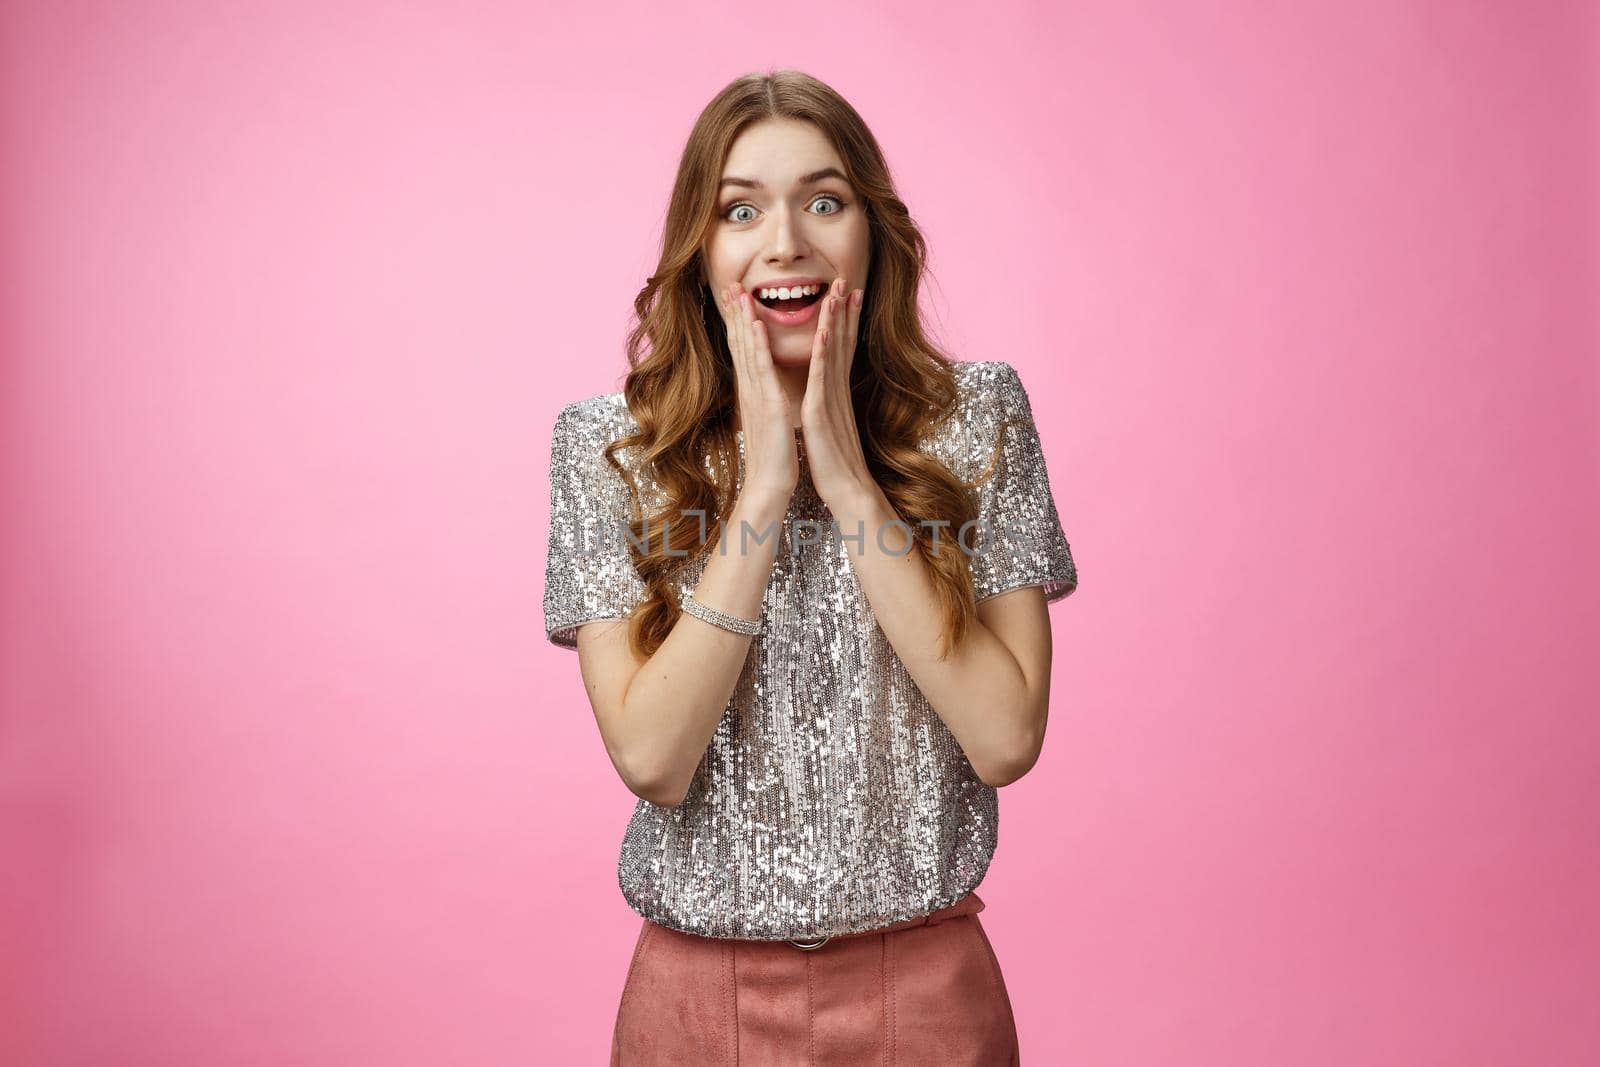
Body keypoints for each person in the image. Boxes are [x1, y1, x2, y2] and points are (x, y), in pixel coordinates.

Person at [543, 68, 1078, 1065]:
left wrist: (849, 484)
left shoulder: (976, 418)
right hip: (694, 1005)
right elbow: (653, 758)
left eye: (823, 201)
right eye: (740, 209)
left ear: (870, 230)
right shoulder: (610, 447)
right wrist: (760, 492)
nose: (784, 239)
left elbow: (1004, 736)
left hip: (923, 996)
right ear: (701, 251)